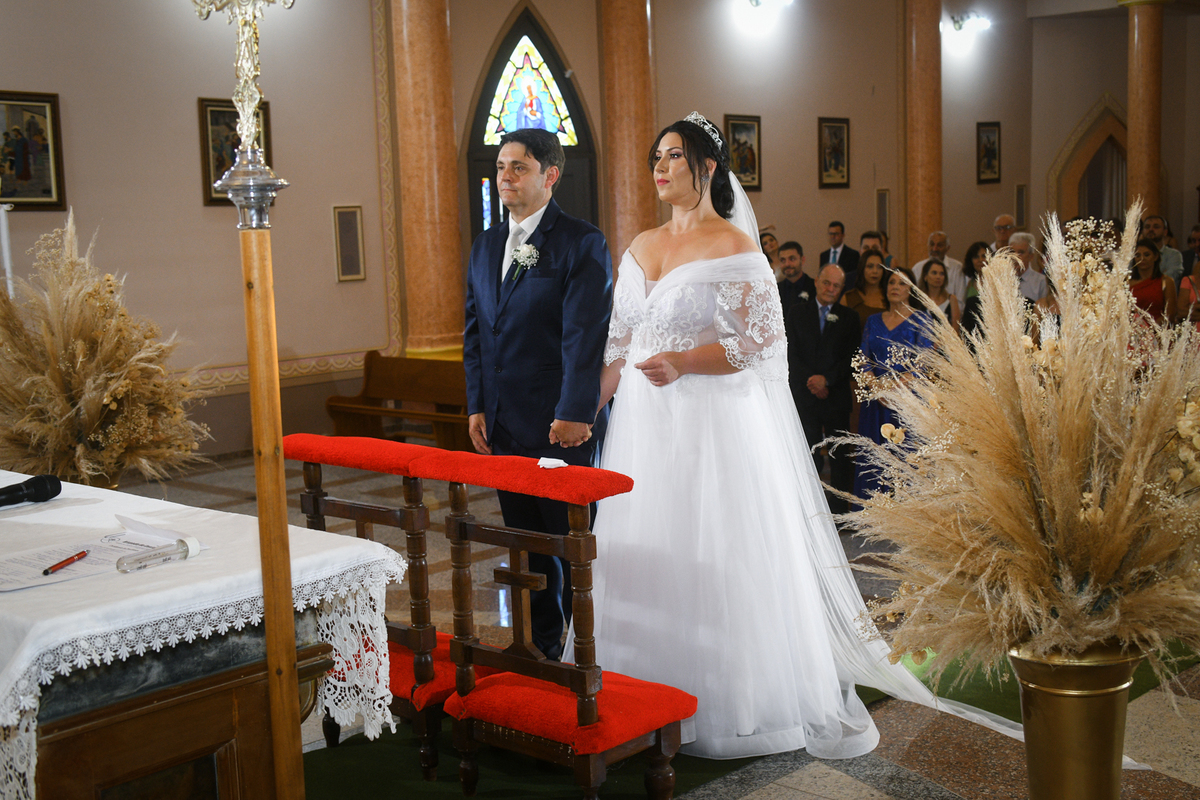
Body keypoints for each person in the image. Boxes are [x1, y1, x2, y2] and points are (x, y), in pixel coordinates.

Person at [579, 112, 936, 761]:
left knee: (713, 545)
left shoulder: (734, 246)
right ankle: (638, 690)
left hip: (712, 427)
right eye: (657, 156)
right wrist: (581, 411)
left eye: (674, 156)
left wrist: (685, 361)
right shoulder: (641, 245)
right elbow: (619, 345)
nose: (660, 167)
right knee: (648, 542)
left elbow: (761, 345)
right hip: (644, 431)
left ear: (708, 167)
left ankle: (726, 699)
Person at [463, 127, 612, 661]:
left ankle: (586, 651)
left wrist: (575, 411)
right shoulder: (485, 245)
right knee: (526, 545)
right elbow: (476, 330)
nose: (505, 176)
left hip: (559, 425)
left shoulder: (580, 241)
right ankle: (542, 644)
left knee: (570, 546)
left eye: (518, 167)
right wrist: (478, 404)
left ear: (550, 176)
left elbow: (584, 334)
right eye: (501, 166)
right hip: (504, 423)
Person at [786, 264, 860, 514]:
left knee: (840, 458)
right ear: (817, 281)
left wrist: (826, 380)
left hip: (835, 397)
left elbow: (851, 357)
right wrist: (811, 381)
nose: (830, 289)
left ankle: (839, 514)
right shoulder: (796, 312)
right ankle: (807, 511)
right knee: (807, 455)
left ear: (842, 289)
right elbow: (790, 353)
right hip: (804, 397)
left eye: (836, 286)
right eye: (826, 283)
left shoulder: (850, 317)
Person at [854, 265, 930, 500]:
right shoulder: (873, 320)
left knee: (905, 458)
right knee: (873, 459)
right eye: (891, 282)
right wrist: (878, 389)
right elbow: (863, 359)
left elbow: (923, 363)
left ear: (911, 290)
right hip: (876, 401)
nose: (895, 287)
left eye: (902, 283)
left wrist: (894, 387)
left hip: (906, 401)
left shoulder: (921, 319)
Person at [911, 231, 966, 307]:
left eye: (939, 245)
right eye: (932, 244)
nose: (934, 249)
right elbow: (913, 297)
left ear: (947, 248)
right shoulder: (918, 268)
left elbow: (960, 302)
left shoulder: (957, 268)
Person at [1129, 238, 1176, 324]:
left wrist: (1150, 328)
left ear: (1156, 256)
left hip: (1158, 328)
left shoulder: (1166, 282)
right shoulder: (1127, 283)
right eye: (1137, 255)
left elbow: (1170, 314)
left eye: (1146, 255)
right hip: (1131, 328)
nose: (1142, 258)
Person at [841, 249, 887, 329]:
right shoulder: (849, 297)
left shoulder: (890, 297)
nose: (875, 271)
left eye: (879, 267)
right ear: (862, 268)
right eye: (870, 266)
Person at [919, 258, 961, 332]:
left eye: (941, 274)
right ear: (925, 277)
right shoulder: (918, 299)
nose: (938, 277)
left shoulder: (951, 299)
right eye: (934, 273)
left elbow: (955, 329)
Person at [959, 241, 990, 339]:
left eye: (984, 256)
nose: (980, 260)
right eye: (976, 257)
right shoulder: (968, 284)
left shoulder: (996, 283)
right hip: (973, 333)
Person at [1141, 215, 1183, 287]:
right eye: (1147, 227)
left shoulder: (1174, 254)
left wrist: (1144, 278)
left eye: (1156, 227)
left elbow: (1170, 277)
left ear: (1165, 232)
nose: (1151, 229)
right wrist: (1161, 274)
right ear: (1142, 231)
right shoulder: (1135, 254)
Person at [776, 240, 815, 315]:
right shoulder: (776, 289)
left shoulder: (814, 287)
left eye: (792, 259)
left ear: (802, 260)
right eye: (783, 260)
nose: (787, 264)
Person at [1009, 232, 1048, 303]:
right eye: (1012, 252)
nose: (1015, 257)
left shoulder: (1041, 281)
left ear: (1031, 256)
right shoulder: (1002, 280)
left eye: (1020, 252)